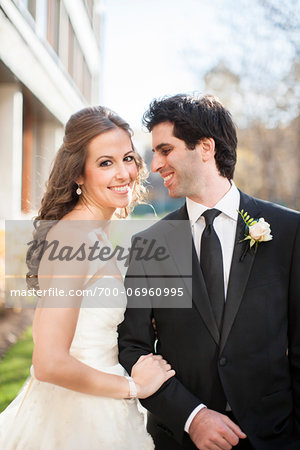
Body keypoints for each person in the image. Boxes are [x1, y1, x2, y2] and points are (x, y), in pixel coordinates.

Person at [118, 94, 300, 450]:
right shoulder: (149, 245)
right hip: (179, 438)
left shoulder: (289, 232)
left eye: (165, 150)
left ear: (205, 147)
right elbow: (132, 346)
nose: (155, 165)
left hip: (276, 436)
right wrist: (192, 416)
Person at [0, 106, 175, 450]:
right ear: (78, 174)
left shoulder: (92, 234)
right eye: (105, 163)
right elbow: (49, 361)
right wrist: (133, 389)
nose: (124, 172)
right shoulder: (75, 237)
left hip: (98, 401)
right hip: (77, 417)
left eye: (127, 158)